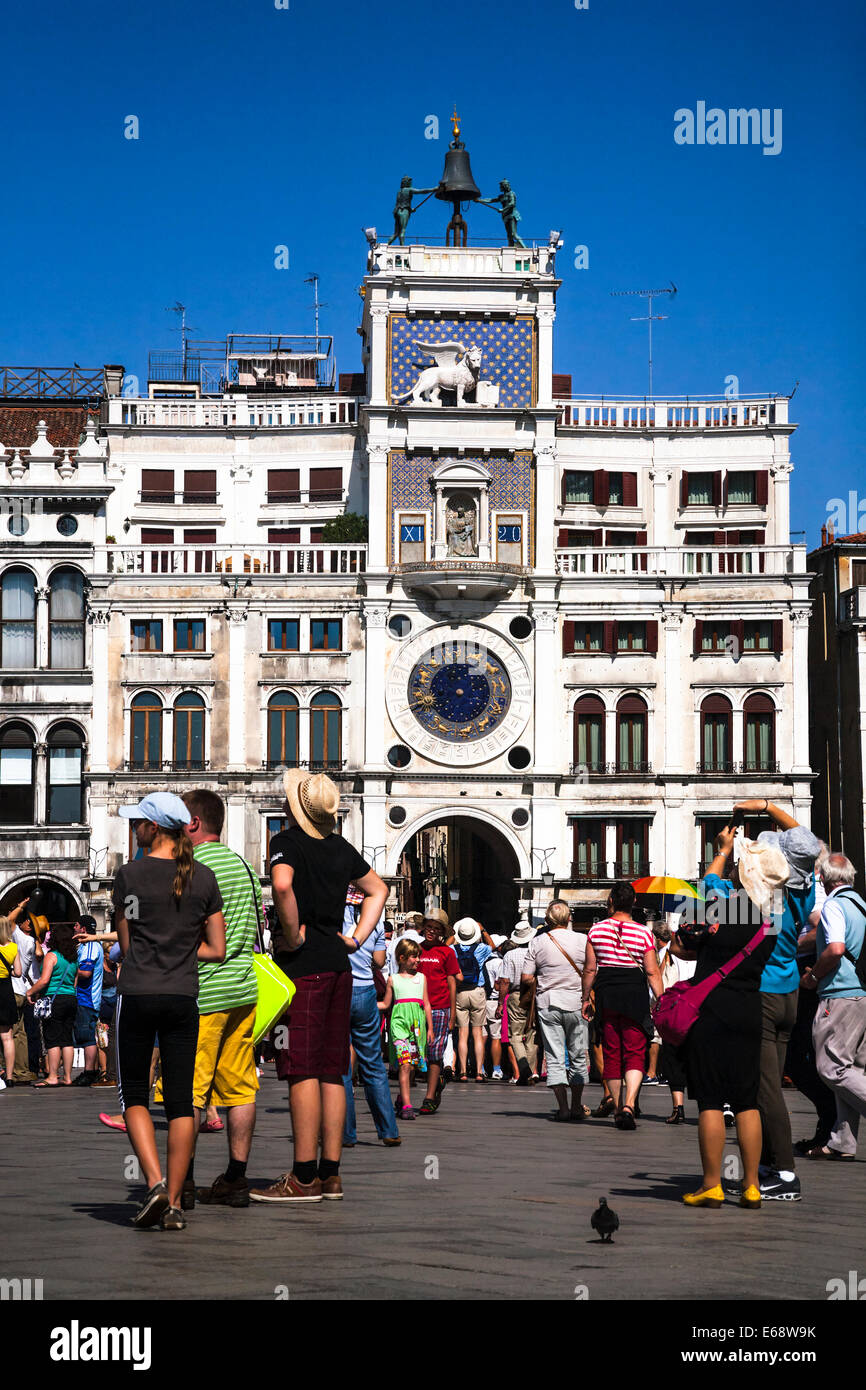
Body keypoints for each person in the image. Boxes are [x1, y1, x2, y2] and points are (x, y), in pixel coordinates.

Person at [251, 770, 387, 1206]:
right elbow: (378, 890)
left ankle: (303, 1175)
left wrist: (289, 936)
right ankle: (331, 1174)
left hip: (303, 967)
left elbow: (283, 885)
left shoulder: (287, 843)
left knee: (301, 1068)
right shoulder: (340, 847)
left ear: (295, 808)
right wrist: (358, 937)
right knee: (333, 1068)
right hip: (339, 964)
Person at [113, 792, 226, 1232]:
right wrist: (182, 949)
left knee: (135, 1095)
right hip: (183, 997)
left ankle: (156, 1182)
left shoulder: (130, 875)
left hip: (138, 992)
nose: (135, 828)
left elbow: (126, 945)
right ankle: (175, 1205)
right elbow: (216, 949)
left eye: (138, 822)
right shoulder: (204, 878)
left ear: (153, 828)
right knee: (182, 1102)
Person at [677, 826, 783, 1207]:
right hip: (748, 1009)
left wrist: (721, 851)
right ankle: (752, 1184)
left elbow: (688, 928)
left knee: (709, 1101)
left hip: (710, 1009)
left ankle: (711, 1183)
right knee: (746, 1101)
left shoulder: (719, 906)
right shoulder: (775, 913)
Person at [731, 800, 822, 1201]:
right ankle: (767, 1161)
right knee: (767, 1082)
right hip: (788, 992)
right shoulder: (805, 889)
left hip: (764, 993)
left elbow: (712, 901)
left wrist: (725, 851)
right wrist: (768, 807)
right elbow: (805, 844)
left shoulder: (763, 896)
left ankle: (785, 1174)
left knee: (766, 1089)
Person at [181, 788, 261, 1210]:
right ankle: (236, 1177)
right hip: (244, 992)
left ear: (193, 824)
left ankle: (186, 1179)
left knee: (192, 1090)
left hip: (204, 992)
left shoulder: (191, 867)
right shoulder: (244, 866)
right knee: (240, 1088)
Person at [581, 883, 664, 1129]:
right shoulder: (644, 933)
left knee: (612, 1053)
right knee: (635, 1051)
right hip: (634, 996)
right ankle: (629, 1104)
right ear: (634, 902)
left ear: (611, 901)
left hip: (607, 995)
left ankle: (618, 1109)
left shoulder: (596, 931)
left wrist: (585, 999)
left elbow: (589, 969)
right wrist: (662, 1000)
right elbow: (651, 971)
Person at [802, 852, 866, 1160]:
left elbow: (836, 948)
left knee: (832, 1067)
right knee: (854, 1068)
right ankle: (843, 1141)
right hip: (862, 995)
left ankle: (842, 1141)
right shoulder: (861, 906)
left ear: (825, 880)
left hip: (839, 993)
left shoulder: (834, 906)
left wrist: (814, 975)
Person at [342, 893, 401, 1148]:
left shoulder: (334, 917)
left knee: (342, 1067)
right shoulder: (375, 919)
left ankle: (346, 1134)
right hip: (366, 990)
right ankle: (388, 1130)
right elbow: (379, 961)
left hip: (340, 988)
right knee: (374, 1064)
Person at [522, 901, 589, 1122]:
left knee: (554, 1056)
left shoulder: (538, 942)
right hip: (577, 1002)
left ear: (548, 921)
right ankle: (577, 1105)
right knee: (578, 1054)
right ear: (569, 918)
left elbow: (526, 977)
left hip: (548, 1003)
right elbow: (591, 970)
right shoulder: (583, 940)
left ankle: (563, 1108)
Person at [378, 940, 434, 1120]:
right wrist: (368, 1003)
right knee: (404, 1064)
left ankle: (403, 1097)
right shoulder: (393, 979)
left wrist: (430, 1027)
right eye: (414, 956)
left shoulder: (421, 978)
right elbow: (387, 1003)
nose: (418, 959)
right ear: (402, 958)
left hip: (417, 1027)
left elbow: (426, 1004)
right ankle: (407, 1106)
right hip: (399, 1025)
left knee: (411, 1067)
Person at [27, 921, 80, 1086]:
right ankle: (68, 1077)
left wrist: (30, 992)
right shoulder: (73, 958)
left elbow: (44, 981)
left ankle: (52, 1076)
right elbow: (75, 982)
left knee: (53, 1039)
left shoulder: (52, 956)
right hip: (71, 999)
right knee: (67, 1039)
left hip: (54, 1000)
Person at [416, 916, 460, 1113]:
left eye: (436, 928)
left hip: (439, 1007)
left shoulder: (447, 952)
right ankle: (433, 1084)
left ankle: (429, 1096)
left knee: (434, 1053)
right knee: (416, 1052)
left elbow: (452, 983)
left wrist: (452, 1015)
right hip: (416, 1007)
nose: (431, 931)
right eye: (428, 927)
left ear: (442, 933)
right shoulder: (416, 949)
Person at [654, 920, 695, 1124]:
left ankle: (678, 1107)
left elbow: (657, 980)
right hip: (697, 1008)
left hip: (675, 1010)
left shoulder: (665, 953)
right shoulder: (702, 952)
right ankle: (718, 1106)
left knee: (673, 1058)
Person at [452, 918, 493, 1081]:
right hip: (477, 991)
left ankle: (462, 1071)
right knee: (477, 1033)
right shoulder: (482, 948)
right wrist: (482, 930)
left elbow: (445, 945)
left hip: (460, 992)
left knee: (462, 1034)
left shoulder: (453, 949)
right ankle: (478, 1072)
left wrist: (454, 934)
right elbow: (494, 946)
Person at [498, 922, 538, 1084]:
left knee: (515, 1035)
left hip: (516, 995)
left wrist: (501, 1002)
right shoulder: (536, 952)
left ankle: (524, 1069)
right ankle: (529, 1070)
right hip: (535, 995)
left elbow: (505, 981)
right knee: (531, 1033)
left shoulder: (510, 955)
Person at [8, 900, 39, 1083]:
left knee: (9, 1033)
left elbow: (7, 922)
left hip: (11, 989)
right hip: (20, 990)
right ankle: (21, 1069)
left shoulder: (21, 938)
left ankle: (15, 1070)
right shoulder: (31, 942)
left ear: (27, 926)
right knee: (20, 1033)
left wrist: (20, 906)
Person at [71, 915, 104, 1087]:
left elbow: (86, 972)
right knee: (86, 1036)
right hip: (85, 997)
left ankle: (90, 1072)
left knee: (87, 1037)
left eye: (76, 925)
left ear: (83, 929)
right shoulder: (87, 946)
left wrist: (70, 967)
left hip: (87, 998)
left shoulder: (90, 946)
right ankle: (90, 1071)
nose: (74, 928)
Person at [0, 915, 22, 1087]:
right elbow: (19, 972)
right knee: (7, 1037)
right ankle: (9, 1076)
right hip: (6, 991)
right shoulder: (14, 947)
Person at [484, 936, 508, 1080]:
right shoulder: (500, 963)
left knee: (481, 1036)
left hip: (483, 1000)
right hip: (494, 1001)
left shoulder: (483, 961)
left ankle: (480, 1068)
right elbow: (499, 985)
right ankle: (496, 1069)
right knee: (496, 1037)